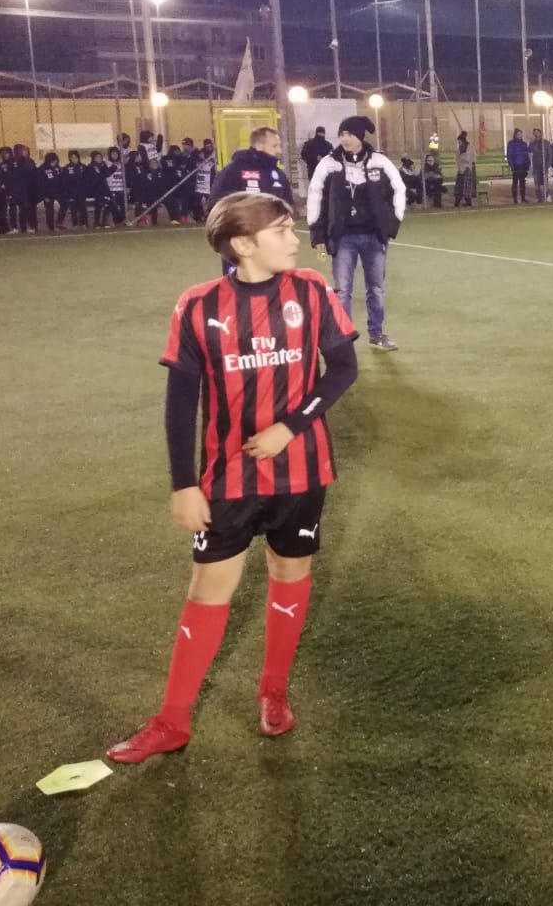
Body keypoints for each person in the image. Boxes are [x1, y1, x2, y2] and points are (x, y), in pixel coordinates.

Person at [105, 192, 360, 764]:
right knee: (208, 590)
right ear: (243, 244)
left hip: (301, 471)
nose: (294, 240)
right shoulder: (198, 306)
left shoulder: (311, 291)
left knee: (289, 573)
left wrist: (290, 427)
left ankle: (273, 691)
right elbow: (180, 402)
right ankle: (172, 720)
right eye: (282, 230)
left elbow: (343, 368)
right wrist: (183, 483)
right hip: (227, 477)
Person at [308, 115, 406, 353]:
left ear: (360, 136)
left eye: (349, 134)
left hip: (374, 237)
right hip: (343, 238)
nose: (344, 139)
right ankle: (344, 338)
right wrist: (317, 235)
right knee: (342, 290)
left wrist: (391, 225)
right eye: (342, 134)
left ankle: (376, 334)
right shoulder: (329, 164)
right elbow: (315, 196)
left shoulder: (379, 162)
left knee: (376, 289)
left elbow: (399, 189)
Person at [209, 126, 294, 207]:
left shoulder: (279, 174)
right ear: (259, 146)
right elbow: (216, 203)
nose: (279, 151)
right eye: (275, 146)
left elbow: (288, 205)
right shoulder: (234, 171)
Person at [59, 149, 91, 230]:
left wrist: (86, 190)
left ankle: (84, 223)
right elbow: (65, 182)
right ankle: (75, 224)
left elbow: (87, 180)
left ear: (78, 157)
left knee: (83, 208)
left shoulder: (83, 167)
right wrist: (67, 193)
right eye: (72, 157)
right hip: (71, 193)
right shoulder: (66, 168)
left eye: (75, 157)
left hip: (81, 192)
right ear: (69, 158)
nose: (74, 159)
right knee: (73, 209)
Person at [36, 151, 63, 232]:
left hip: (58, 191)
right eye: (52, 161)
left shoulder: (57, 168)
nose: (54, 163)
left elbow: (61, 179)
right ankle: (51, 228)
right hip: (47, 193)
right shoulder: (41, 169)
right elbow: (39, 184)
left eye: (55, 161)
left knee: (65, 203)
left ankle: (59, 222)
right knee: (50, 210)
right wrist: (44, 196)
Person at [507, 128, 530, 204]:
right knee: (515, 183)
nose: (519, 136)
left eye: (520, 134)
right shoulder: (511, 144)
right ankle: (515, 199)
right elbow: (509, 155)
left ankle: (523, 198)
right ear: (515, 135)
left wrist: (527, 164)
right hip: (516, 166)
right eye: (518, 134)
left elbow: (526, 155)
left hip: (523, 166)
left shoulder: (524, 144)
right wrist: (512, 165)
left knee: (522, 183)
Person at [454, 132, 477, 207]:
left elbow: (471, 159)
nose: (459, 143)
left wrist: (466, 165)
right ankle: (457, 202)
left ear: (463, 141)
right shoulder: (459, 149)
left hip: (467, 170)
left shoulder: (470, 148)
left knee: (466, 188)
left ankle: (468, 202)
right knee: (459, 188)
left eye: (460, 142)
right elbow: (457, 159)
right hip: (460, 170)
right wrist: (459, 168)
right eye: (458, 142)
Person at [530, 127, 548, 202]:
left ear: (540, 133)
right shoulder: (532, 143)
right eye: (535, 133)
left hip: (544, 166)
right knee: (536, 183)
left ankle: (546, 196)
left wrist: (548, 164)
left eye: (537, 132)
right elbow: (530, 153)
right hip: (536, 167)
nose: (536, 134)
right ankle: (539, 198)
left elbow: (550, 154)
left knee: (545, 183)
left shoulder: (545, 143)